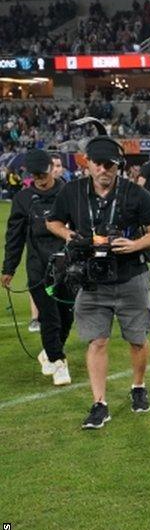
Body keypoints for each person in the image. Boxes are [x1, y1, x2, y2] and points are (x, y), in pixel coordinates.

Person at [45, 136, 150, 429]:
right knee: (97, 341)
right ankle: (99, 403)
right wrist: (72, 237)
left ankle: (138, 386)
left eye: (109, 164)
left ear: (118, 166)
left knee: (137, 339)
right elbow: (52, 221)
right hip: (91, 280)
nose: (103, 170)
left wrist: (135, 244)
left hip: (131, 278)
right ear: (88, 165)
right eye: (97, 164)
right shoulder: (71, 192)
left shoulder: (137, 194)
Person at [2, 149, 74, 386]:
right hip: (38, 268)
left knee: (68, 314)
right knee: (50, 315)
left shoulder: (67, 193)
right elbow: (15, 236)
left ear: (51, 169)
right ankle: (58, 360)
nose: (40, 179)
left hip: (66, 267)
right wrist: (9, 268)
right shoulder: (23, 199)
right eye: (35, 176)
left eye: (42, 174)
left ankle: (50, 351)